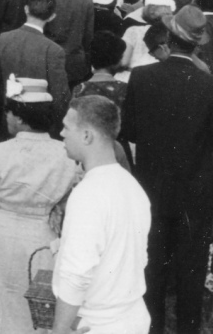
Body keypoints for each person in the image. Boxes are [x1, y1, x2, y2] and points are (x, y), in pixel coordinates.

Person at [120, 6, 213, 334]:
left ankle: (151, 327)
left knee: (151, 265)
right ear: (197, 44)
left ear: (168, 38)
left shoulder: (142, 77)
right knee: (191, 270)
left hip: (152, 187)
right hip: (194, 190)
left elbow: (130, 132)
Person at [0, 77, 78, 334]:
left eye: (8, 112)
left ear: (19, 117)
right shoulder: (66, 153)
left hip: (0, 234)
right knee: (39, 294)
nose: (6, 118)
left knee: (2, 294)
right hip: (44, 233)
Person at [52, 96, 152, 334]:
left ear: (87, 136)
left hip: (97, 323)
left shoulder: (88, 194)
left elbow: (77, 274)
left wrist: (60, 329)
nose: (61, 133)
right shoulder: (132, 186)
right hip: (132, 316)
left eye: (67, 127)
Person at [0, 0, 70, 125]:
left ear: (26, 9)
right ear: (52, 17)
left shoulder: (4, 38)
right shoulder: (53, 49)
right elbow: (59, 93)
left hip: (10, 115)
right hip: (39, 121)